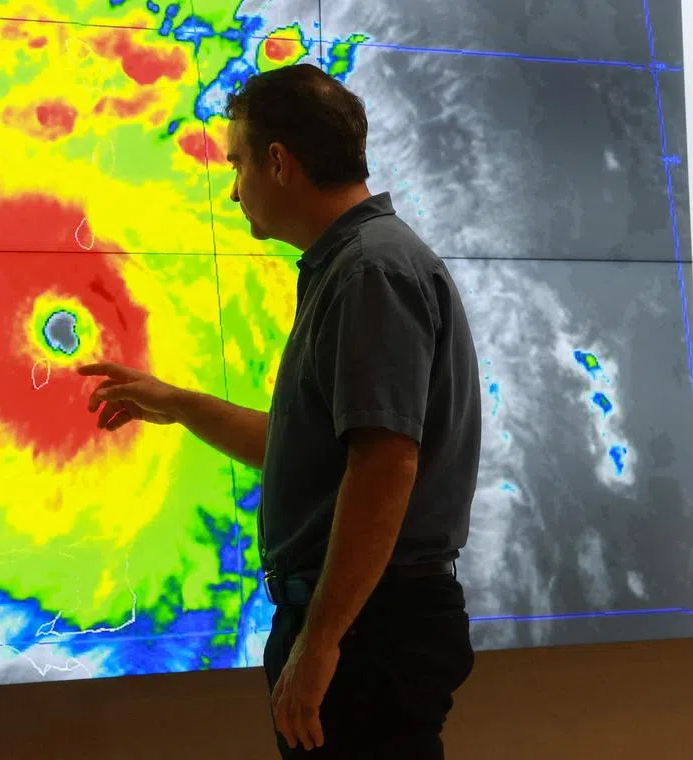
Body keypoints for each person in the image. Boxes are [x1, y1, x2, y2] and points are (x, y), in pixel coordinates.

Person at [78, 63, 482, 759]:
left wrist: (321, 642)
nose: (233, 191)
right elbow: (309, 452)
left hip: (370, 630)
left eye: (236, 164)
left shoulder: (369, 272)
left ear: (279, 161)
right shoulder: (351, 266)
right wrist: (179, 403)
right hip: (362, 622)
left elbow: (385, 464)